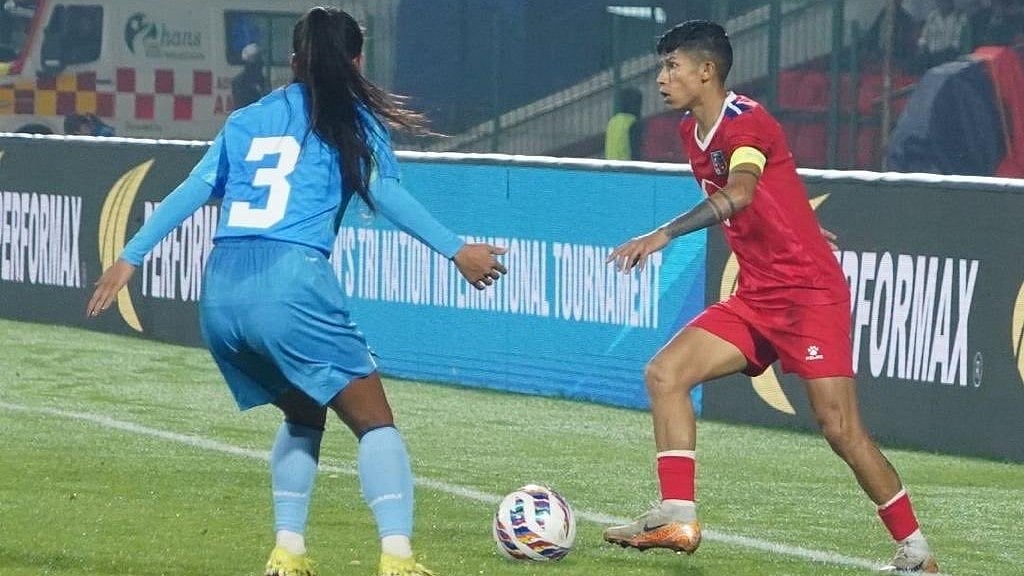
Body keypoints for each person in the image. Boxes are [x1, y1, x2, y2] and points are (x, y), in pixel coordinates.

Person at [87, 7, 507, 576]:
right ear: (356, 61)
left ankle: (287, 551)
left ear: (293, 60)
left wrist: (130, 256)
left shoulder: (247, 119)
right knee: (375, 423)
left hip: (223, 291)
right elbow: (386, 194)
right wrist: (456, 249)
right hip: (290, 284)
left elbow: (193, 188)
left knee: (304, 412)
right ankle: (398, 558)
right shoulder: (353, 122)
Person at [602, 21, 939, 573]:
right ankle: (677, 513)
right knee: (665, 375)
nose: (662, 78)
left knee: (841, 430)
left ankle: (917, 553)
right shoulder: (693, 131)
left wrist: (662, 234)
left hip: (808, 295)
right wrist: (798, 221)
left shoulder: (746, 120)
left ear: (706, 71)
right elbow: (767, 186)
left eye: (672, 67)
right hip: (758, 293)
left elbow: (740, 191)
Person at [917, 0, 971, 70]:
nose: (941, 3)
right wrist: (922, 47)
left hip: (951, 59)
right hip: (930, 59)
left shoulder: (960, 17)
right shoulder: (932, 16)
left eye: (945, 1)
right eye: (939, 2)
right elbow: (923, 38)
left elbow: (957, 45)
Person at [604, 87, 645, 160]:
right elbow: (636, 151)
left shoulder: (612, 121)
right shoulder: (633, 123)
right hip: (627, 167)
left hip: (611, 165)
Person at [232, 42, 270, 110]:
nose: (262, 63)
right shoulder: (240, 82)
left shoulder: (262, 80)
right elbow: (242, 105)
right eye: (259, 60)